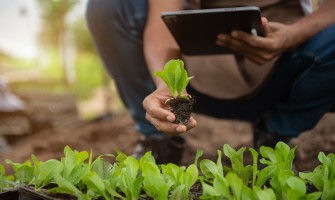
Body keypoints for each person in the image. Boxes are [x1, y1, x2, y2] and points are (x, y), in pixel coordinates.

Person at [86, 0, 335, 164]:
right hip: (199, 77)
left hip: (287, 70)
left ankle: (275, 134)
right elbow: (160, 28)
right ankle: (161, 138)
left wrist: (293, 35)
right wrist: (168, 86)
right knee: (108, 6)